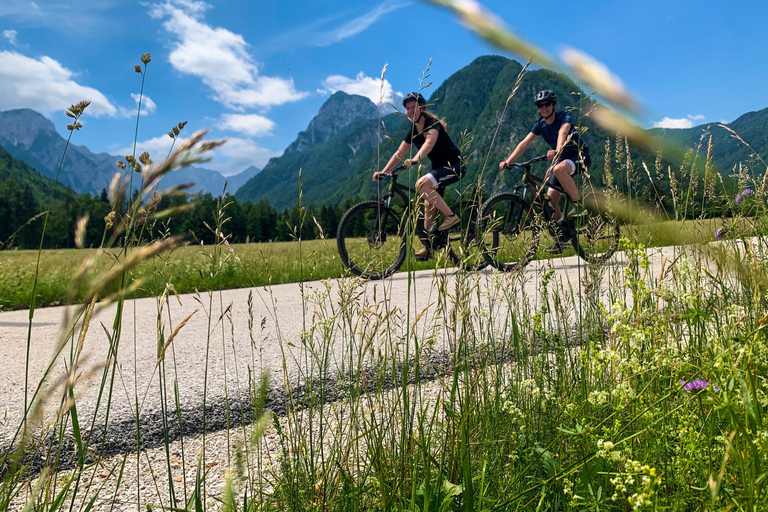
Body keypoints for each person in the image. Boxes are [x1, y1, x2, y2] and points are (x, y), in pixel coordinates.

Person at [374, 92, 466, 261]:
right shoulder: (412, 131)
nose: (410, 111)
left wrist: (416, 158)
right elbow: (399, 153)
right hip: (438, 170)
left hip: (454, 166)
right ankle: (430, 248)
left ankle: (451, 216)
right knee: (426, 207)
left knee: (420, 185)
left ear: (422, 108)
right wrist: (384, 171)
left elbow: (429, 143)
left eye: (413, 107)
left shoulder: (433, 123)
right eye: (407, 108)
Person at [498, 89, 591, 253]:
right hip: (561, 161)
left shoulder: (564, 116)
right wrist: (508, 161)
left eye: (547, 104)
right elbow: (524, 143)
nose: (543, 108)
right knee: (548, 204)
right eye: (540, 106)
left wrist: (557, 150)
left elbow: (563, 131)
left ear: (554, 105)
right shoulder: (540, 124)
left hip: (579, 157)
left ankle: (578, 206)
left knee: (558, 168)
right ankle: (562, 238)